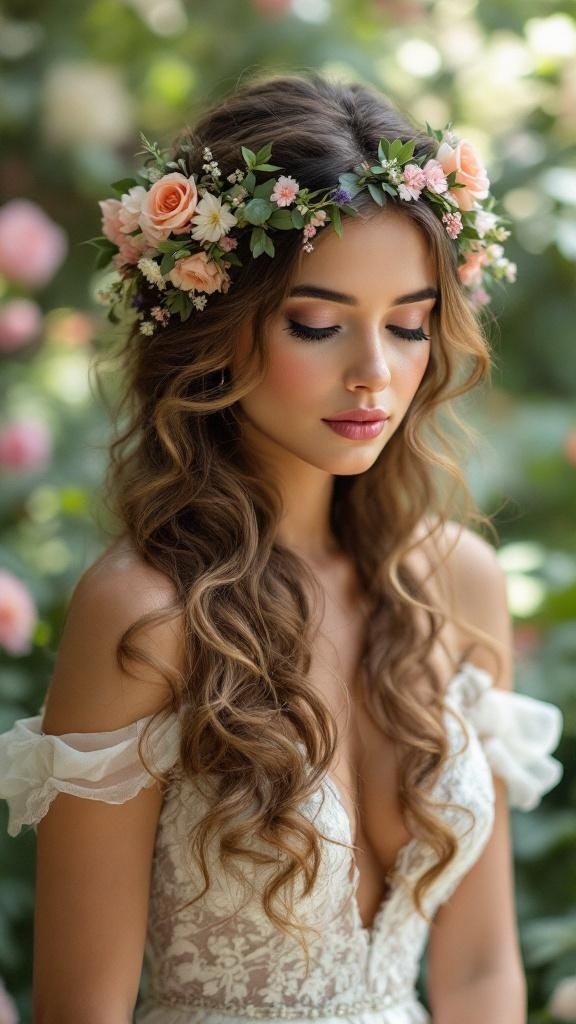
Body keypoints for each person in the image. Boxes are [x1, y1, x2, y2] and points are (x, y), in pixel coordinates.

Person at [0, 71, 565, 1024]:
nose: (374, 375)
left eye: (408, 325)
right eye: (318, 324)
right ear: (215, 325)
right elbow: (79, 1011)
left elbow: (478, 973)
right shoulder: (147, 614)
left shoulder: (457, 583)